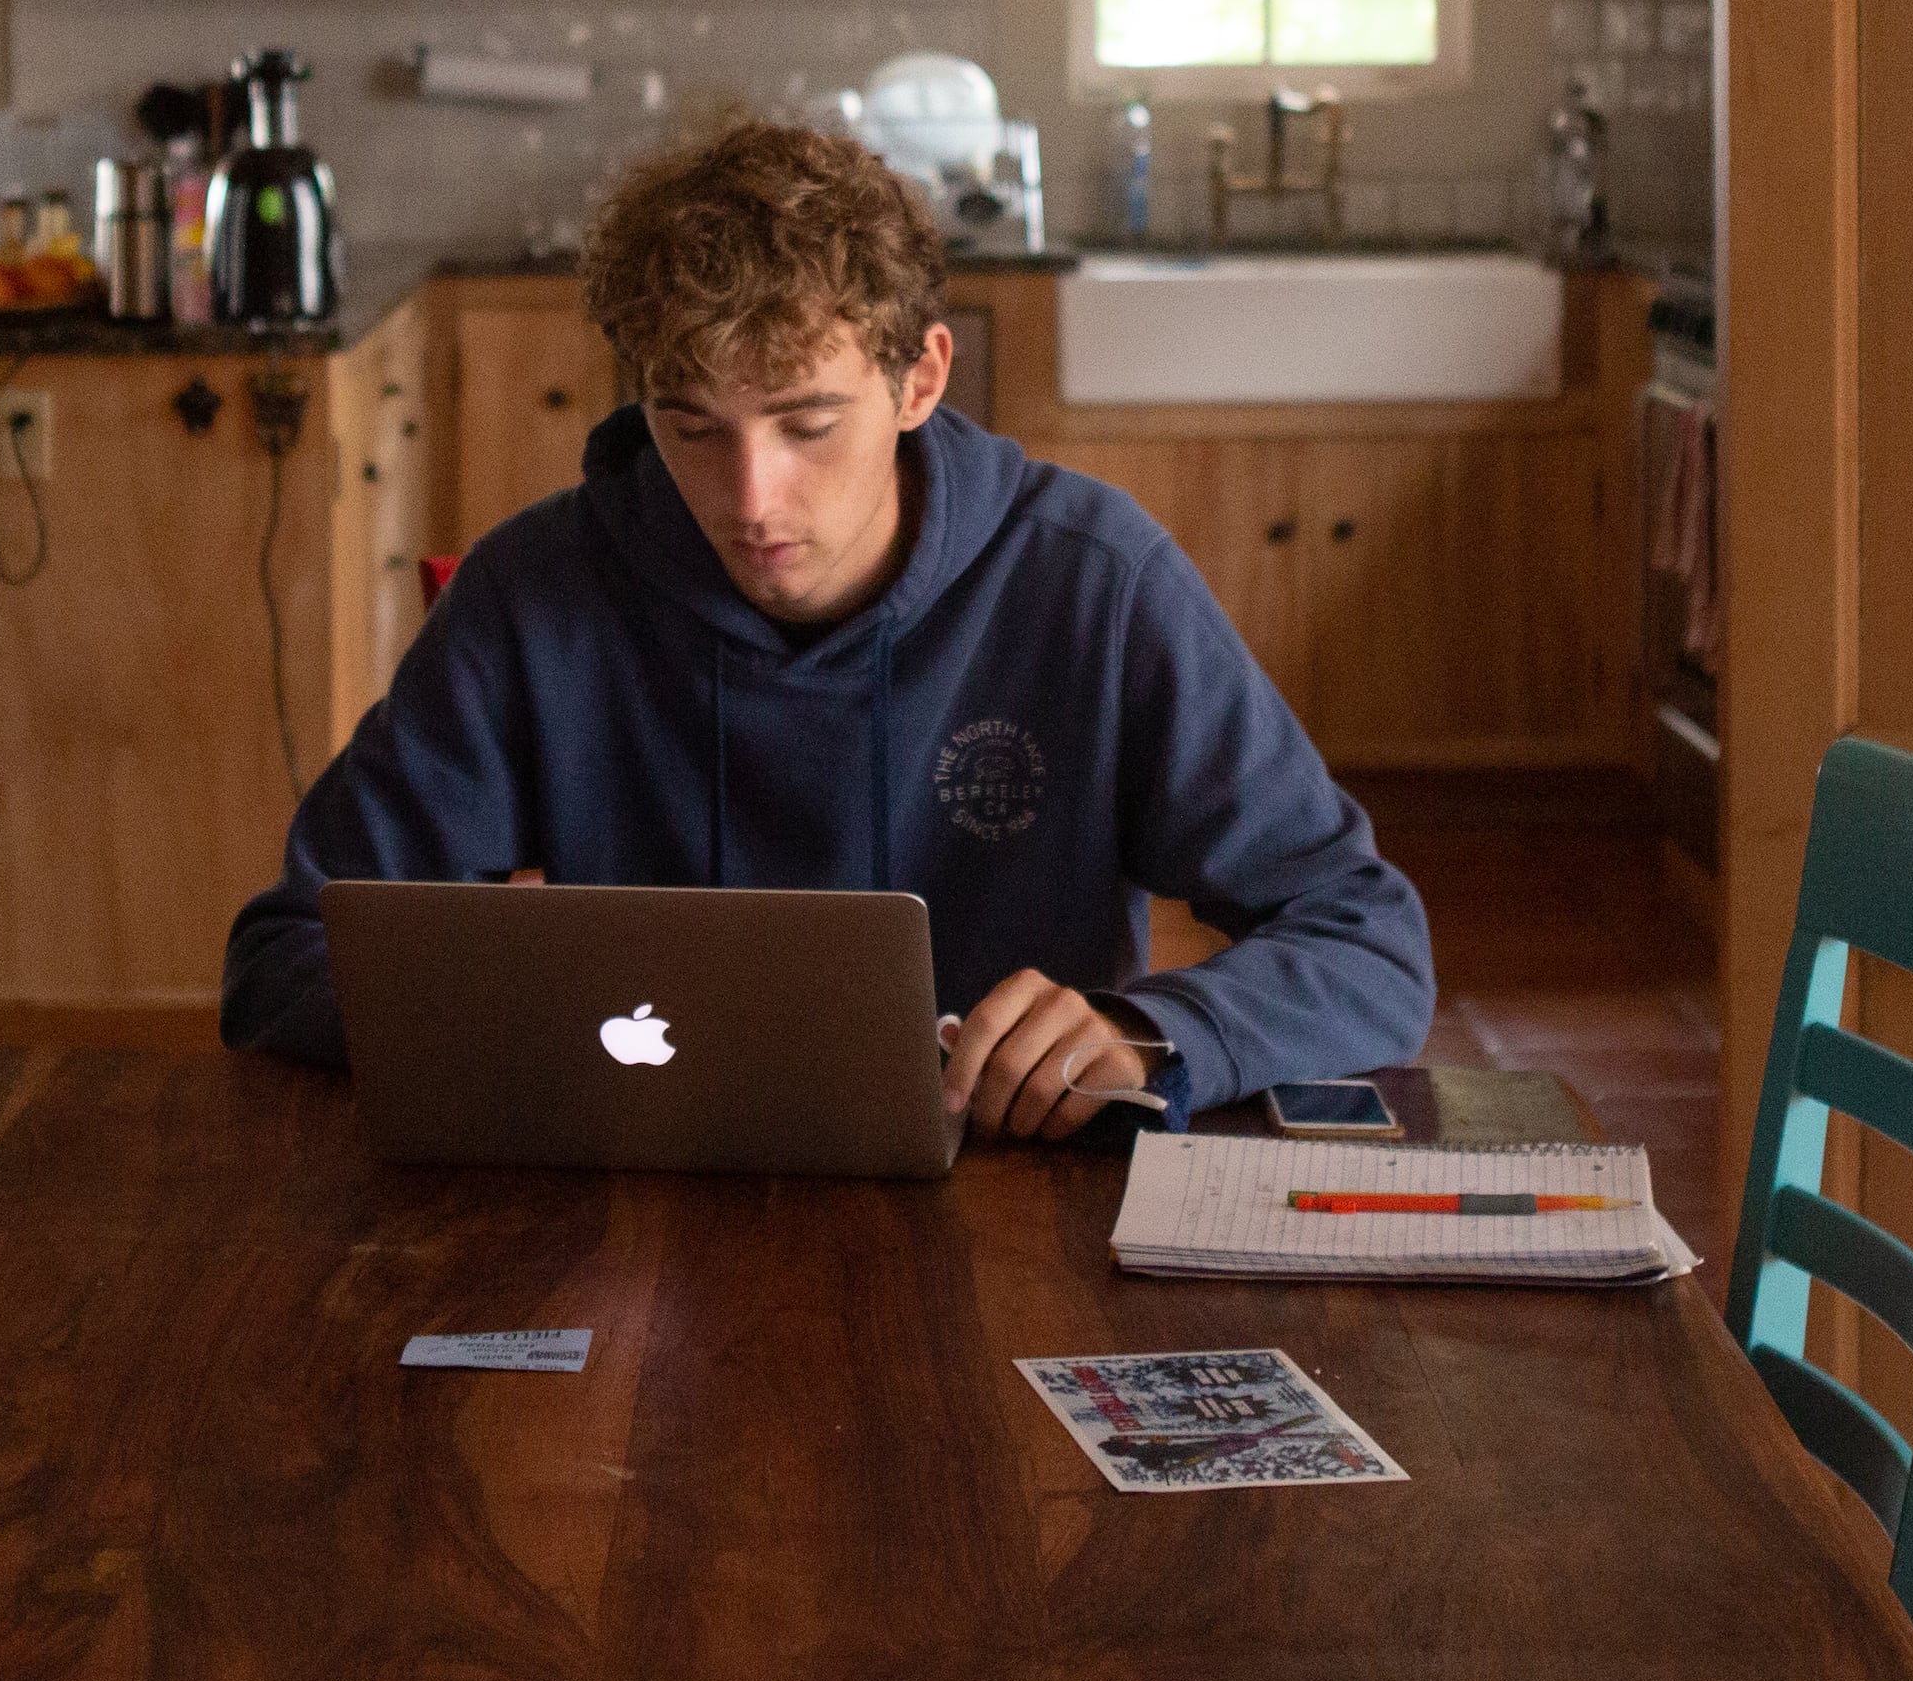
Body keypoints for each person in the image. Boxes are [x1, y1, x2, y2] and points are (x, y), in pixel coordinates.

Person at [222, 115, 1434, 1140]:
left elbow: (1367, 940)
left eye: (807, 425)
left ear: (919, 381)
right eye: (690, 428)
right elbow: (285, 957)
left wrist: (1148, 1030)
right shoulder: (533, 592)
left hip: (1007, 1190)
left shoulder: (1091, 581)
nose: (749, 503)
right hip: (642, 1191)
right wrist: (544, 1024)